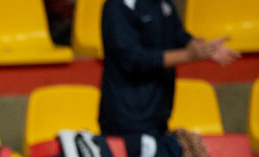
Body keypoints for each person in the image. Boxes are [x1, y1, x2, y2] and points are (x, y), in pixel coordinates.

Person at [98, 0, 238, 138]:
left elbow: (178, 35)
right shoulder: (117, 6)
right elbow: (132, 59)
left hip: (158, 111)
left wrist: (205, 48)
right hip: (126, 115)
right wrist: (189, 55)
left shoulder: (163, 3)